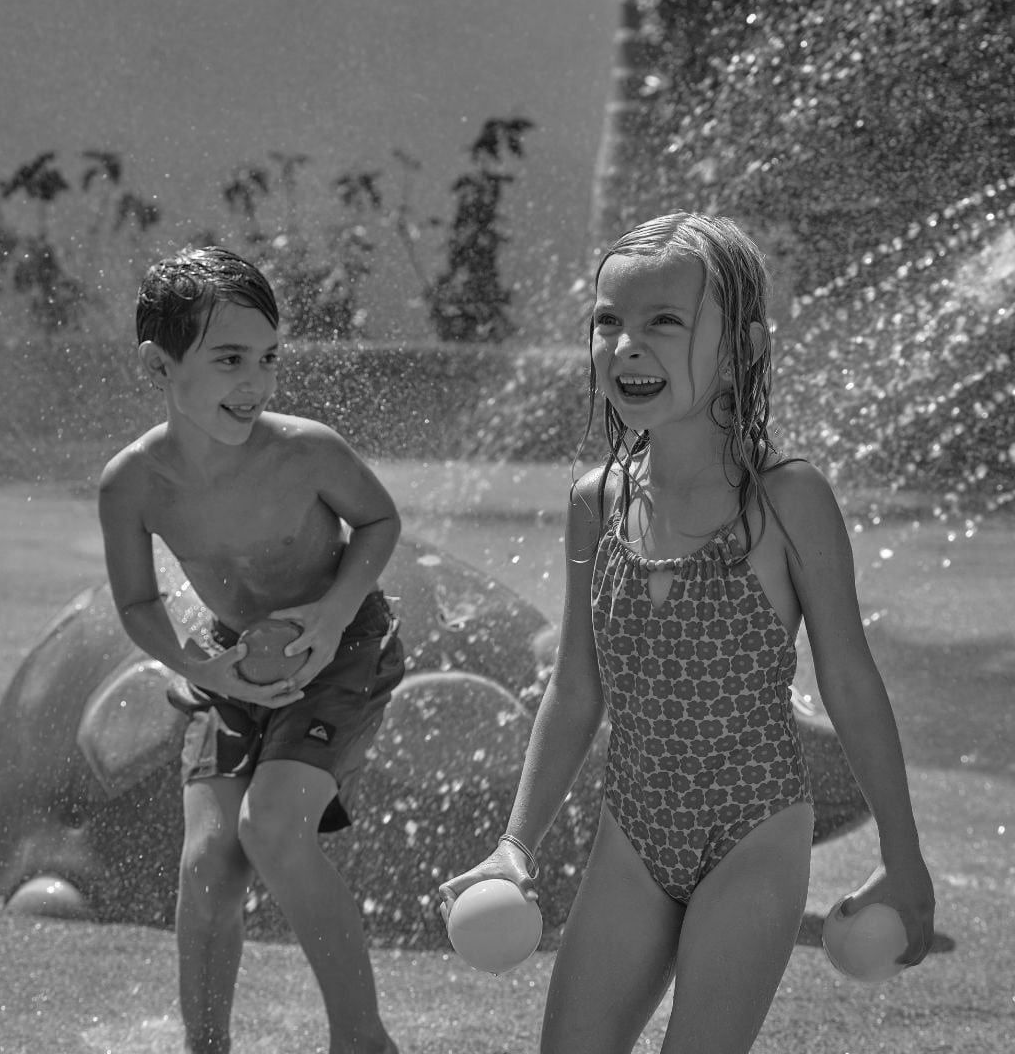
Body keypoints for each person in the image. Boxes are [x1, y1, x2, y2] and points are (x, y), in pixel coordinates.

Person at [440, 213, 934, 1053]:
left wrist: (904, 857)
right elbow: (574, 686)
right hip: (634, 827)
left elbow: (850, 683)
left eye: (664, 322)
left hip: (756, 826)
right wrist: (513, 844)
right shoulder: (596, 500)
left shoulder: (787, 499)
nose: (627, 346)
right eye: (608, 322)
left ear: (742, 345)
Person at [99, 246, 404, 1054]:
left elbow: (380, 522)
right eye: (229, 359)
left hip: (344, 647)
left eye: (267, 358)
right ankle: (207, 1046)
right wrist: (199, 667)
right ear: (157, 365)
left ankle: (362, 1039)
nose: (256, 382)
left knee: (271, 829)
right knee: (209, 861)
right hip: (227, 664)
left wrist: (334, 615)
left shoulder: (306, 449)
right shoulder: (132, 484)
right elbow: (137, 601)